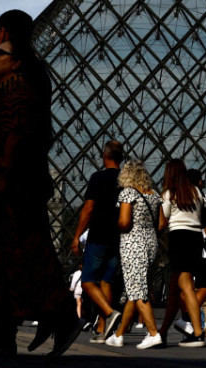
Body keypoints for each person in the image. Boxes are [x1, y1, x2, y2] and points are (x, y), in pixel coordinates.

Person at [0, 10, 78, 357]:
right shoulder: (25, 77)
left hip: (11, 189)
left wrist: (1, 176)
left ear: (8, 36)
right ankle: (2, 330)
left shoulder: (20, 83)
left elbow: (16, 133)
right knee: (4, 256)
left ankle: (58, 317)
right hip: (14, 186)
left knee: (26, 254)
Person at [105, 160, 164, 349]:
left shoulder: (128, 193)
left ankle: (154, 334)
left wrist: (121, 227)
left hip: (133, 244)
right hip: (152, 243)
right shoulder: (155, 195)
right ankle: (119, 334)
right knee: (135, 289)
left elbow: (123, 222)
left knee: (137, 290)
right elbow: (162, 224)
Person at [71, 140, 125, 343]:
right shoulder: (127, 181)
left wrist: (77, 235)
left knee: (87, 281)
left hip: (99, 235)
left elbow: (88, 209)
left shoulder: (98, 178)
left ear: (105, 157)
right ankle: (103, 330)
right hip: (118, 238)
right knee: (106, 283)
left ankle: (110, 313)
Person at [157, 159, 206, 347]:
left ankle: (197, 332)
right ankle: (162, 332)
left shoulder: (169, 194)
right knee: (174, 289)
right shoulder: (196, 191)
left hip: (178, 239)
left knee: (185, 284)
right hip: (196, 238)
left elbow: (163, 221)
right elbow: (204, 218)